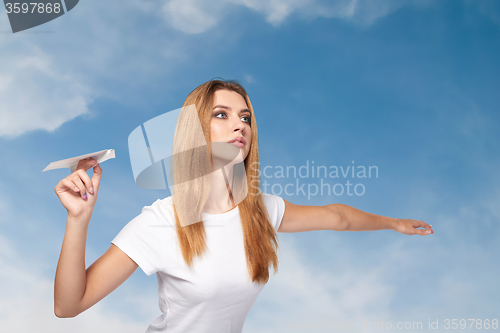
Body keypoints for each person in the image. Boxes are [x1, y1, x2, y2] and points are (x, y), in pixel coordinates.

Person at [53, 79, 433, 332]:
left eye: (246, 117)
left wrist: (393, 223)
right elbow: (69, 306)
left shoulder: (259, 212)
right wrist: (79, 219)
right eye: (222, 115)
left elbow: (338, 217)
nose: (241, 126)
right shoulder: (161, 222)